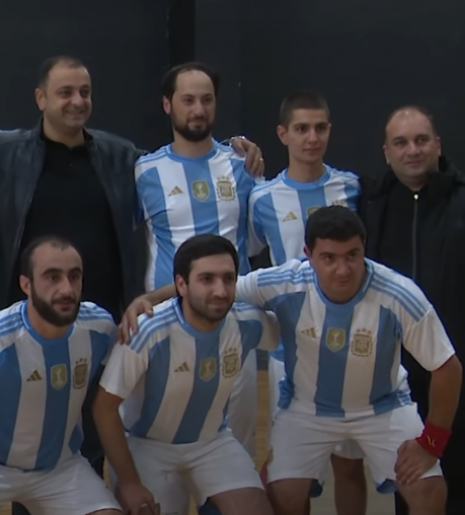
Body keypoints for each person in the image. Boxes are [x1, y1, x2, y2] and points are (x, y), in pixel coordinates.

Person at [0, 55, 266, 515]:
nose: (77, 101)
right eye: (65, 92)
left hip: (100, 324)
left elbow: (184, 156)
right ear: (40, 98)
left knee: (88, 440)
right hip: (27, 329)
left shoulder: (121, 157)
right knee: (23, 441)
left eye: (84, 92)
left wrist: (232, 148)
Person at [120, 205, 462, 515]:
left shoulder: (399, 294)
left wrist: (431, 442)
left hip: (383, 407)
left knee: (429, 490)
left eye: (352, 255)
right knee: (283, 494)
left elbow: (447, 368)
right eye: (329, 257)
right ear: (308, 255)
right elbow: (215, 285)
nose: (342, 269)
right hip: (305, 409)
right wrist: (148, 299)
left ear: (364, 249)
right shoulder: (284, 282)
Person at [0, 236, 123, 515]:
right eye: (52, 277)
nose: (66, 289)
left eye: (74, 276)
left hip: (60, 468)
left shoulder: (101, 327)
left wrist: (147, 301)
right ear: (26, 285)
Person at [92, 234, 278, 515]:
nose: (220, 290)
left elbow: (297, 331)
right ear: (181, 284)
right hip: (147, 447)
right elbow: (104, 409)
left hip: (212, 442)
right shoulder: (146, 331)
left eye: (228, 279)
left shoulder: (248, 322)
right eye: (207, 279)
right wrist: (129, 482)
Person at [135, 61, 262, 468]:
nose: (198, 109)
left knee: (235, 453)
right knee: (163, 450)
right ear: (167, 104)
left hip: (232, 325)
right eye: (188, 100)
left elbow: (258, 239)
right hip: (165, 325)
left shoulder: (243, 166)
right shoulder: (144, 171)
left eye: (206, 100)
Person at [247, 91, 366, 515]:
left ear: (329, 131)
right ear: (283, 134)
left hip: (348, 345)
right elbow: (253, 255)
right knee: (292, 475)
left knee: (348, 465)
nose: (311, 138)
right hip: (291, 350)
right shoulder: (262, 198)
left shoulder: (350, 187)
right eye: (301, 129)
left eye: (319, 128)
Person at [360, 105, 465, 515]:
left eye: (421, 140)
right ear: (387, 152)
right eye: (401, 143)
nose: (413, 150)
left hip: (455, 363)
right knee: (413, 477)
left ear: (437, 145)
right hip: (398, 371)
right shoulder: (372, 205)